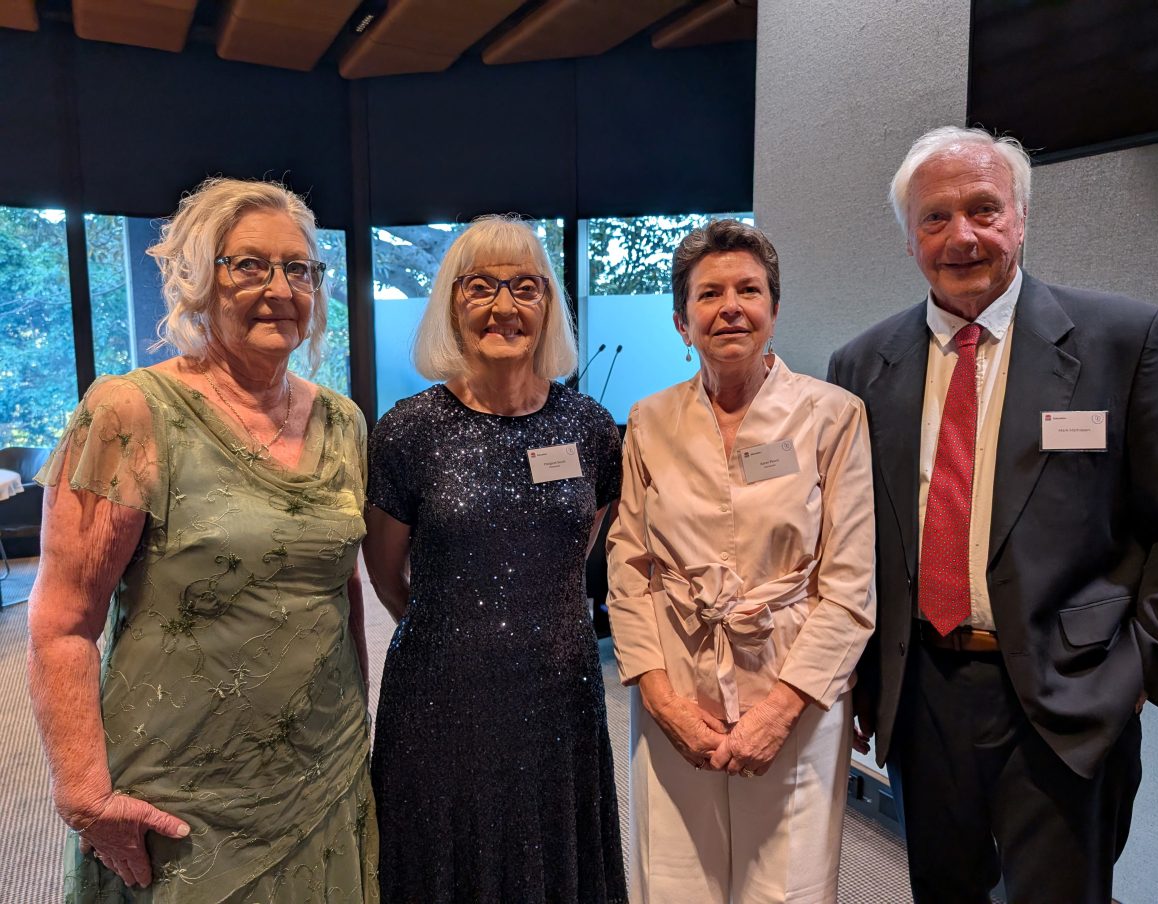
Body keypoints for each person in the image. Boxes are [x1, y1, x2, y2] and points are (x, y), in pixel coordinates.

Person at [827, 126, 1158, 903]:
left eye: (984, 210)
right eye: (935, 218)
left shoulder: (1124, 341)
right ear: (908, 241)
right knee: (943, 889)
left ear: (1021, 220)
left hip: (1070, 698)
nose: (961, 235)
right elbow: (854, 539)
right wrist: (862, 683)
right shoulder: (860, 366)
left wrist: (1137, 676)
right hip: (922, 694)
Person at [27, 178, 379, 902]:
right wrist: (83, 791)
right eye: (248, 265)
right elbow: (62, 623)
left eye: (299, 269)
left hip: (323, 770)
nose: (279, 288)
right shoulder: (128, 411)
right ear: (195, 278)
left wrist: (360, 733)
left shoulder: (343, 422)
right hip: (181, 789)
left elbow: (339, 590)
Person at [605, 219, 876, 904]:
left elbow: (849, 583)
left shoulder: (834, 417)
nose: (730, 306)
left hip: (796, 685)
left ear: (775, 310)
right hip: (677, 684)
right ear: (681, 321)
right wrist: (662, 700)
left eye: (749, 290)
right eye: (709, 294)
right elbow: (629, 566)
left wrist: (781, 711)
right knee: (674, 882)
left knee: (786, 888)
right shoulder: (649, 420)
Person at [363, 216, 627, 904]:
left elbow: (576, 548)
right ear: (451, 302)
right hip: (442, 696)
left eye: (524, 288)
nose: (503, 307)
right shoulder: (407, 432)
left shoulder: (591, 429)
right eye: (479, 287)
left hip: (560, 692)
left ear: (548, 305)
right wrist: (451, 626)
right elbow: (387, 572)